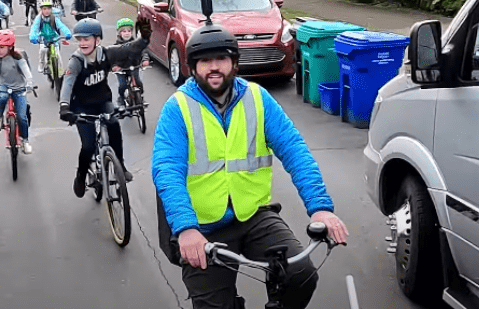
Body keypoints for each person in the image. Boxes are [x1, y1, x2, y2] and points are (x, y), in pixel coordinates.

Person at [151, 24, 349, 309]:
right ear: (192, 68)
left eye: (221, 59)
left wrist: (320, 208)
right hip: (203, 225)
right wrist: (185, 229)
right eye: (205, 61)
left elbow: (295, 151)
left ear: (234, 62)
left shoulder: (257, 98)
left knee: (300, 274)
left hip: (253, 215)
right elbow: (167, 170)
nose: (214, 67)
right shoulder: (177, 107)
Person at [58, 19, 151, 196]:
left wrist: (145, 38)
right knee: (88, 146)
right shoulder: (76, 61)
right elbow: (67, 84)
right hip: (81, 107)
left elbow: (129, 49)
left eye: (87, 39)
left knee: (114, 125)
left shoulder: (106, 54)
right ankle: (81, 175)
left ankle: (120, 166)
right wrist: (65, 107)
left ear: (97, 40)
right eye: (80, 39)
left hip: (102, 101)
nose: (82, 43)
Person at [0, 30, 35, 154]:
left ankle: (25, 140)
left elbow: (26, 71)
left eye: (2, 47)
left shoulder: (18, 58)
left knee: (22, 116)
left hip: (19, 88)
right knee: (2, 98)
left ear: (10, 47)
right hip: (3, 86)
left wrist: (29, 83)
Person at [112, 18, 149, 107]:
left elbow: (143, 52)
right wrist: (114, 66)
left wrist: (145, 60)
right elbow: (111, 58)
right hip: (122, 69)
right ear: (120, 33)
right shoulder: (116, 46)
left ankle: (141, 97)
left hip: (134, 66)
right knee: (122, 85)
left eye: (129, 31)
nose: (127, 33)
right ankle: (121, 98)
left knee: (138, 82)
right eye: (124, 31)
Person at [29, 0, 71, 73]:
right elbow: (34, 28)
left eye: (48, 8)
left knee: (58, 55)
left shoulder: (54, 18)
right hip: (43, 39)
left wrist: (67, 33)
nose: (47, 11)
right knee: (42, 50)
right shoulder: (39, 18)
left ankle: (60, 71)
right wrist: (33, 37)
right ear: (41, 10)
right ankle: (41, 64)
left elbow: (61, 26)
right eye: (44, 9)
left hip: (54, 38)